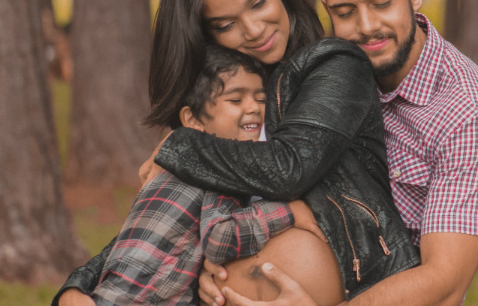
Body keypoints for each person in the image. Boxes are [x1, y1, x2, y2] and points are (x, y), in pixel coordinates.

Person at [53, 0, 421, 305]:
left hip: (357, 282)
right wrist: (81, 282)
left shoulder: (335, 64)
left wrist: (182, 143)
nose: (254, 29)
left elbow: (289, 168)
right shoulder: (223, 108)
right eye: (225, 25)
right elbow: (166, 217)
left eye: (257, 3)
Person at [197, 0, 478, 305]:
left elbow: (444, 284)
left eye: (382, 3)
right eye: (346, 11)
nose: (366, 26)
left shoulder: (470, 116)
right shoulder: (324, 72)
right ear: (327, 8)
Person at [80, 44, 326, 306]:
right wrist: (290, 213)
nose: (254, 107)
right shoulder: (217, 169)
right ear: (193, 121)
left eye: (260, 98)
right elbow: (219, 240)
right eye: (235, 99)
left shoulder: (172, 168)